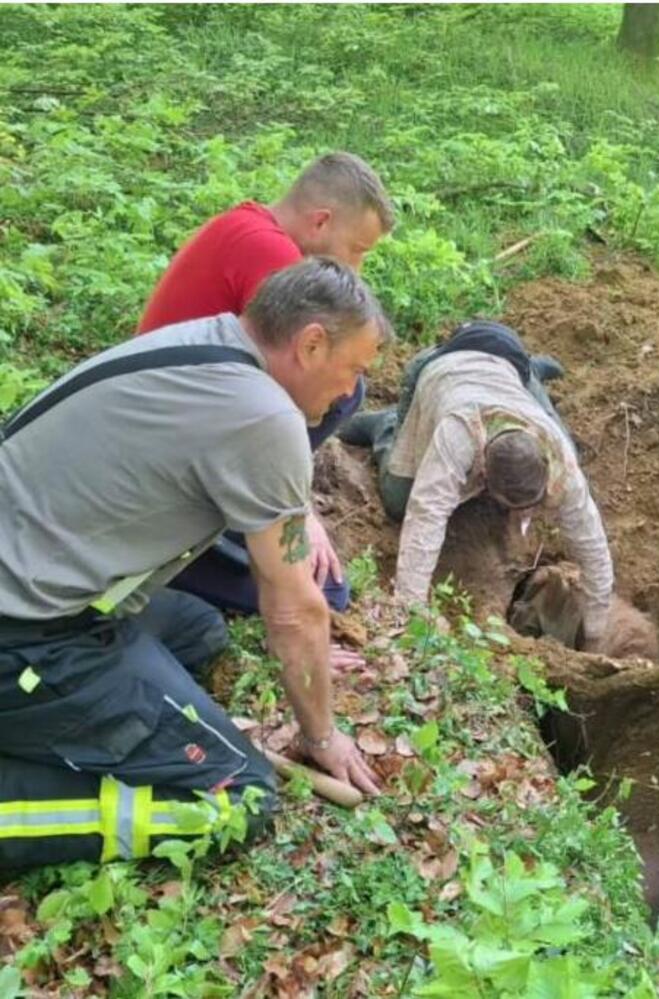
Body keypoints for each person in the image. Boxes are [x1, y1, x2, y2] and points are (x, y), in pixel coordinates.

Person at [0, 258, 389, 868]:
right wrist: (321, 735)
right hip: (26, 635)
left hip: (48, 588)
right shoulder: (263, 417)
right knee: (239, 801)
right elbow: (293, 611)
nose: (351, 392)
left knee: (199, 631)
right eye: (353, 370)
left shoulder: (209, 340)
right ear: (312, 343)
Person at [138, 152, 394, 625]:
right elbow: (274, 402)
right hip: (171, 476)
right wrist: (295, 509)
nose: (356, 269)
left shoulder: (246, 227)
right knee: (328, 593)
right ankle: (184, 571)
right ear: (321, 221)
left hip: (183, 437)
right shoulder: (273, 257)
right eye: (357, 249)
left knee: (346, 388)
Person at [339, 320, 614, 645]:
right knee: (398, 499)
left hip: (508, 362)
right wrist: (411, 609)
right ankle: (385, 426)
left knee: (569, 446)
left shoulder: (558, 456)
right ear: (484, 472)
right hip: (440, 370)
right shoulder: (458, 436)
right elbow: (425, 516)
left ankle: (531, 376)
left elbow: (591, 544)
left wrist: (596, 631)